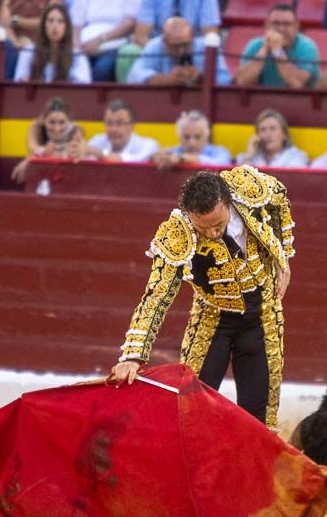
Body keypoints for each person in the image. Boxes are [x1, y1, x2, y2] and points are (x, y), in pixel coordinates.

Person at [109, 167, 295, 428]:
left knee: (259, 420)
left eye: (218, 224)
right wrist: (133, 355)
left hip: (263, 315)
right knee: (192, 412)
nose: (211, 233)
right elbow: (156, 296)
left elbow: (280, 197)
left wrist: (282, 254)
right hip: (212, 319)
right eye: (203, 227)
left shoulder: (247, 188)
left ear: (229, 202)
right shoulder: (178, 232)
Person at [235, 4, 320, 88]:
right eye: (275, 23)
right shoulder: (255, 45)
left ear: (297, 26)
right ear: (267, 25)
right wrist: (264, 49)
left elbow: (296, 83)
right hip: (263, 99)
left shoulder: (307, 47)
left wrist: (277, 50)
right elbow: (242, 82)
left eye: (287, 24)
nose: (281, 29)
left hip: (299, 100)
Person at [127, 17, 230, 85]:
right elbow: (134, 75)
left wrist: (201, 79)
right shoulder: (155, 45)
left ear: (192, 37)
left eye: (186, 45)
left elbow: (225, 79)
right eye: (175, 47)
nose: (182, 51)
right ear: (164, 42)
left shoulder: (206, 46)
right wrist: (166, 79)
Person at [15, 2, 93, 83]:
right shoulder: (29, 52)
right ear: (44, 25)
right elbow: (19, 84)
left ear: (66, 27)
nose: (55, 26)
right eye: (50, 21)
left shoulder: (77, 55)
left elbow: (83, 87)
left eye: (60, 21)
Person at [85, 100, 162, 162]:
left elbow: (132, 161)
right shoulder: (97, 140)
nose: (113, 129)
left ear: (132, 126)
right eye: (109, 123)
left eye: (119, 123)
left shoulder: (149, 145)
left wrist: (100, 153)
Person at [153, 110, 234, 167]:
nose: (192, 143)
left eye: (198, 137)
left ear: (207, 135)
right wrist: (155, 157)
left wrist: (182, 158)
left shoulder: (221, 152)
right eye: (186, 137)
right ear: (179, 136)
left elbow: (221, 164)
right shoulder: (171, 152)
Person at [235, 108, 310, 168]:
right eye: (262, 130)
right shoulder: (246, 157)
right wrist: (249, 155)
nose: (267, 134)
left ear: (284, 134)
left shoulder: (297, 157)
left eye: (272, 129)